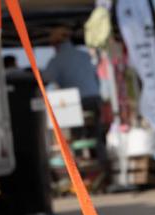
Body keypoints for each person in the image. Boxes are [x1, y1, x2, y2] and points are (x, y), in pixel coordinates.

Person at [42, 27, 107, 171]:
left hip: (77, 102)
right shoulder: (84, 55)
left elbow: (45, 79)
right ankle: (101, 168)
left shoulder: (57, 60)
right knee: (96, 134)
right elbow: (96, 78)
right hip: (94, 98)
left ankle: (80, 170)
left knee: (77, 136)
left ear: (56, 44)